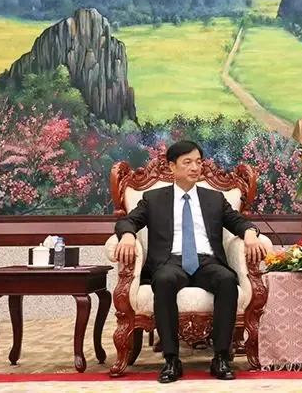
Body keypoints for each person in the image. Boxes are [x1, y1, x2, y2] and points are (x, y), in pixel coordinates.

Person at [113, 140, 266, 383]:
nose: (195, 167)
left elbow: (238, 221)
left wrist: (249, 233)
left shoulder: (214, 198)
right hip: (170, 262)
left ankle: (221, 358)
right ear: (172, 167)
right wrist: (129, 235)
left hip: (207, 262)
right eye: (188, 162)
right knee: (163, 281)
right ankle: (172, 360)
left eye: (198, 162)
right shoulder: (153, 199)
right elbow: (126, 221)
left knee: (227, 280)